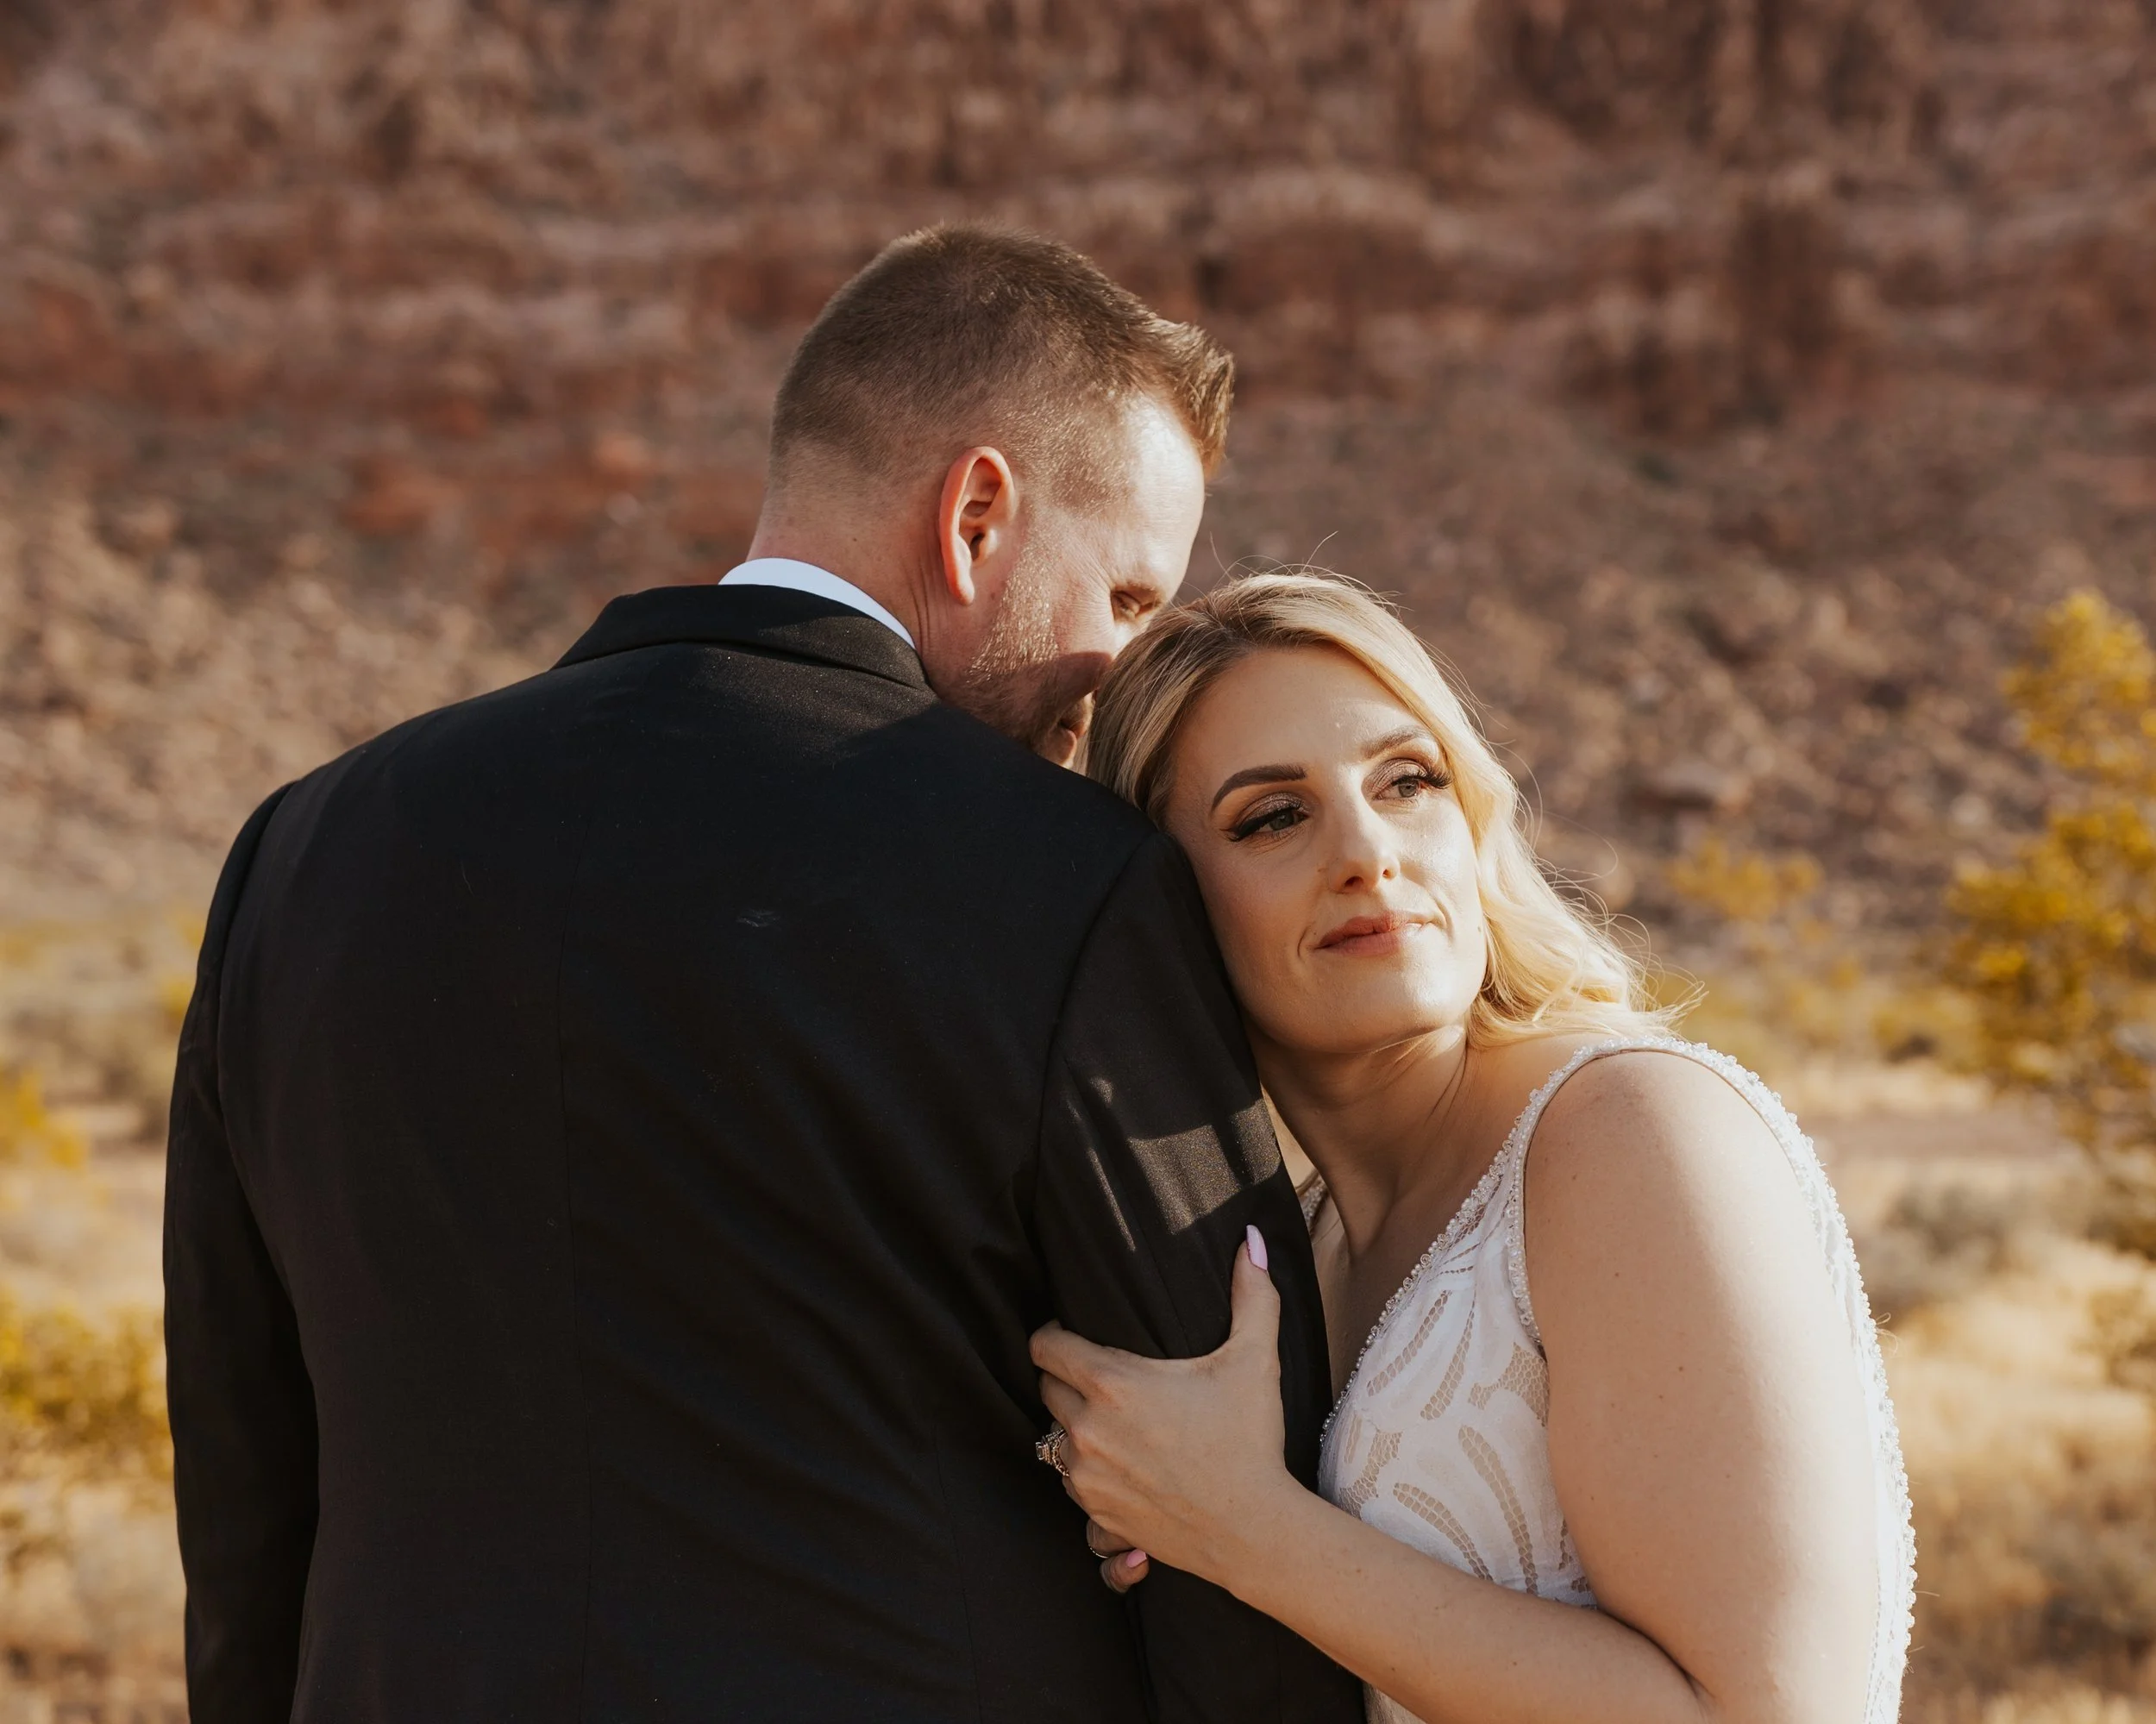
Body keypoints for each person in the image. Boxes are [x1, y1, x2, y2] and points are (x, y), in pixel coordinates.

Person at [163, 228, 1363, 1723]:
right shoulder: (1074, 880)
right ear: (977, 514)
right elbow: (1228, 1495)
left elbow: (247, 1480)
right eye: (1126, 596)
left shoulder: (302, 852)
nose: (1120, 676)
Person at [1032, 573, 1915, 1724]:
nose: (1367, 850)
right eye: (1272, 816)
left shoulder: (1628, 1134)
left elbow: (1756, 1714)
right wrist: (1136, 1499)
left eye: (1409, 781)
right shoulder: (1293, 1251)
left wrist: (1243, 1525)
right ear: (1163, 908)